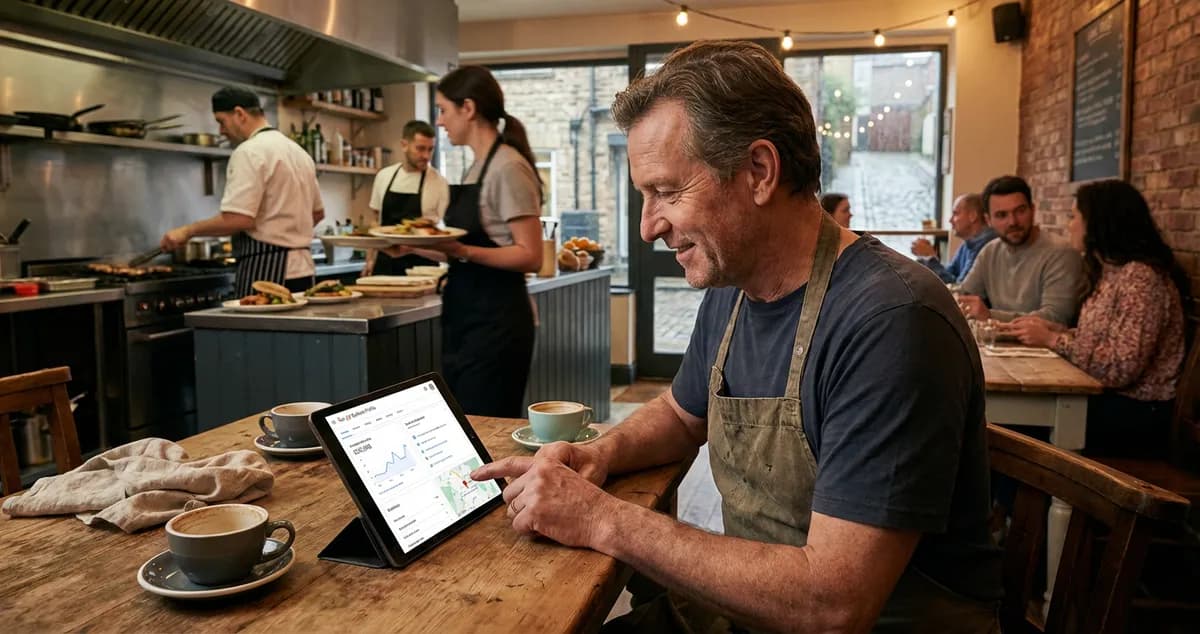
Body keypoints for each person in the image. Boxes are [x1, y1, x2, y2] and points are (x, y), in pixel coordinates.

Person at [472, 41, 1001, 632]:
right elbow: (680, 413)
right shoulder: (735, 285)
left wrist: (603, 519)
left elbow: (835, 603)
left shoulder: (891, 322)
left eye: (667, 192)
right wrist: (599, 455)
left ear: (759, 171)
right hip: (755, 612)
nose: (649, 227)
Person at [383, 66, 542, 418]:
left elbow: (531, 255)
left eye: (443, 110)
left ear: (467, 108)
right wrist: (407, 246)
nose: (439, 122)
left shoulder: (507, 167)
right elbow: (461, 250)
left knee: (486, 427)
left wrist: (462, 250)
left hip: (497, 321)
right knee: (468, 422)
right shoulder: (478, 167)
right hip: (467, 318)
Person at [1005, 180, 1185, 458]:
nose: (1069, 225)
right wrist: (1061, 331)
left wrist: (1054, 340)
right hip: (1109, 400)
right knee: (1008, 418)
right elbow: (1104, 340)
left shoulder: (1141, 279)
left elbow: (1120, 368)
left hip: (1137, 413)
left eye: (1074, 216)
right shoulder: (1114, 273)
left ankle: (1015, 501)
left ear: (1100, 223)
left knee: (1013, 424)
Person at [161, 87, 324, 297]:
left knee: (260, 330)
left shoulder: (249, 151)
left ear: (239, 114)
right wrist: (288, 233)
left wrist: (186, 231)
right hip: (303, 272)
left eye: (221, 121)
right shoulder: (298, 152)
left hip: (267, 271)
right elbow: (317, 214)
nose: (221, 130)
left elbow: (238, 219)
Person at [956, 175, 1083, 324]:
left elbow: (1055, 317)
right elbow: (964, 297)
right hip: (997, 344)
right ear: (988, 220)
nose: (1013, 222)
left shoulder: (1061, 253)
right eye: (1002, 215)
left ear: (1033, 210)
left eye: (1020, 211)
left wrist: (990, 316)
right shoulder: (990, 251)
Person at [363, 120, 450, 276]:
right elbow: (376, 223)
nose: (426, 156)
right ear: (404, 145)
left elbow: (444, 234)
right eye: (420, 149)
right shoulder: (384, 176)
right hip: (384, 265)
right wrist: (370, 261)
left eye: (431, 149)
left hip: (422, 267)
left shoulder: (439, 183)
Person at [912, 193, 996, 283]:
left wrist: (929, 257)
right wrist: (927, 258)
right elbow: (949, 275)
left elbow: (959, 288)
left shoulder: (986, 244)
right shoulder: (967, 244)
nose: (950, 220)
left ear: (973, 216)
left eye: (955, 213)